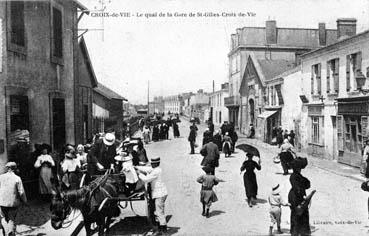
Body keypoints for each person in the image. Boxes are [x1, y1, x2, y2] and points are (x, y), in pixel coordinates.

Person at [136, 157, 168, 235]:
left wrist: (139, 173)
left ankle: (163, 230)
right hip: (160, 193)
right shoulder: (157, 169)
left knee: (159, 212)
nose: (151, 165)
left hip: (159, 194)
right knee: (159, 211)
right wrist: (136, 167)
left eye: (152, 164)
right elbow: (147, 169)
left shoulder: (156, 171)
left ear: (156, 164)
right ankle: (161, 228)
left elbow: (146, 179)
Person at [0, 162, 27, 236]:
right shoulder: (17, 178)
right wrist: (25, 201)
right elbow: (21, 192)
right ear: (14, 169)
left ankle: (6, 230)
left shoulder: (1, 177)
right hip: (13, 203)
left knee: (3, 218)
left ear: (7, 168)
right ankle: (10, 232)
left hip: (2, 202)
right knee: (11, 219)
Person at [288, 158, 311, 236]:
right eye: (299, 168)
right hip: (295, 197)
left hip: (299, 196)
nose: (300, 169)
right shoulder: (293, 177)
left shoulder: (299, 176)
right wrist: (302, 193)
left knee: (301, 214)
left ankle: (302, 232)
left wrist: (302, 189)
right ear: (296, 168)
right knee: (296, 214)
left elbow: (308, 184)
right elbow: (296, 187)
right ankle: (296, 232)